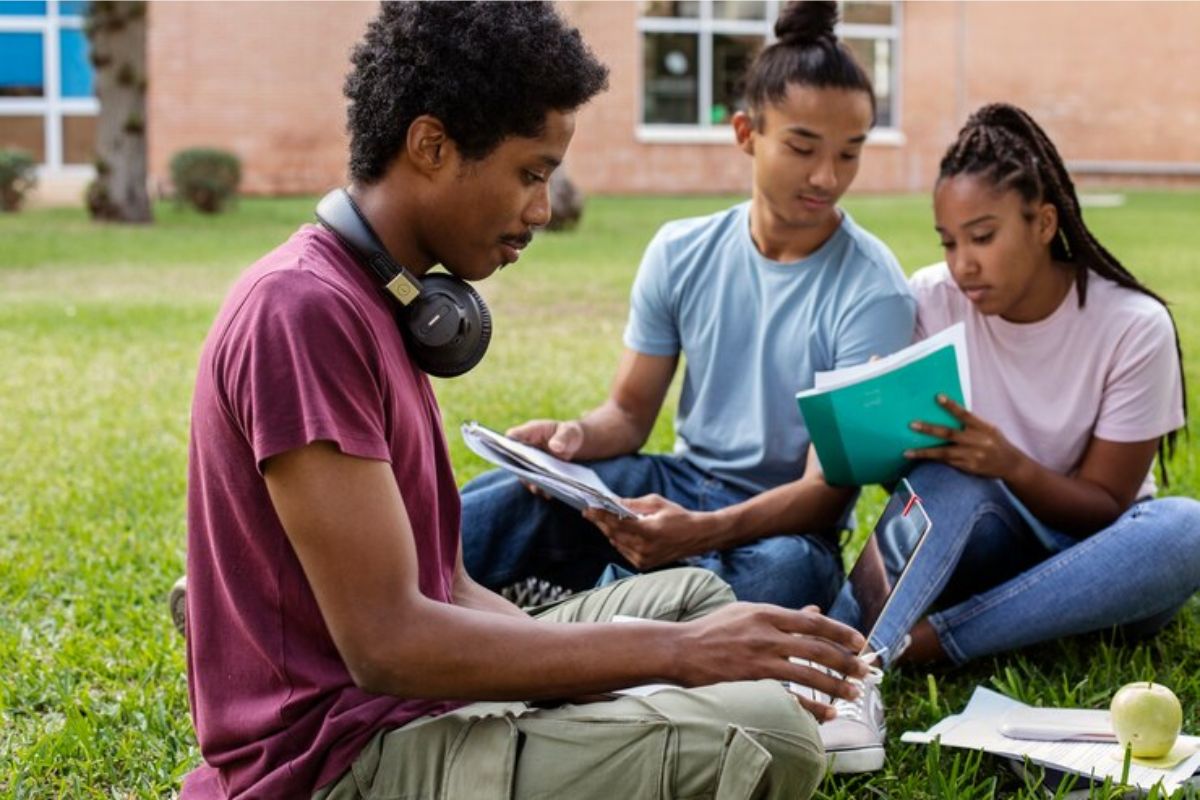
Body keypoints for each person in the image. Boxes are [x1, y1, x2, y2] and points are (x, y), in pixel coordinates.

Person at [180, 4, 872, 798]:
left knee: (698, 599)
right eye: (531, 173)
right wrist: (674, 662)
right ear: (432, 146)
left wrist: (637, 670)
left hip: (418, 691)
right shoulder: (302, 314)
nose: (542, 210)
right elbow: (387, 645)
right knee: (770, 730)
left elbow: (451, 585)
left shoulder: (384, 300)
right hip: (345, 757)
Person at [460, 0, 916, 614]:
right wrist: (572, 440)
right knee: (512, 497)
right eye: (803, 148)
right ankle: (393, 599)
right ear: (746, 134)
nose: (827, 177)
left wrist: (701, 531)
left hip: (780, 528)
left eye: (849, 152)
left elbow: (825, 493)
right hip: (674, 486)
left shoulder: (874, 289)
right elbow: (626, 414)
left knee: (786, 580)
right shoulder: (681, 250)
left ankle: (584, 604)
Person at [873, 103, 1200, 669]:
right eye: (949, 243)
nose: (962, 265)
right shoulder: (930, 298)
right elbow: (916, 493)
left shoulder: (1133, 325)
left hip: (1100, 558)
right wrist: (875, 420)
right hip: (985, 545)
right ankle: (855, 642)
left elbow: (1104, 507)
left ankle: (932, 641)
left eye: (982, 237)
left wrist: (1009, 463)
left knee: (1186, 529)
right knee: (945, 480)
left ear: (1044, 224)